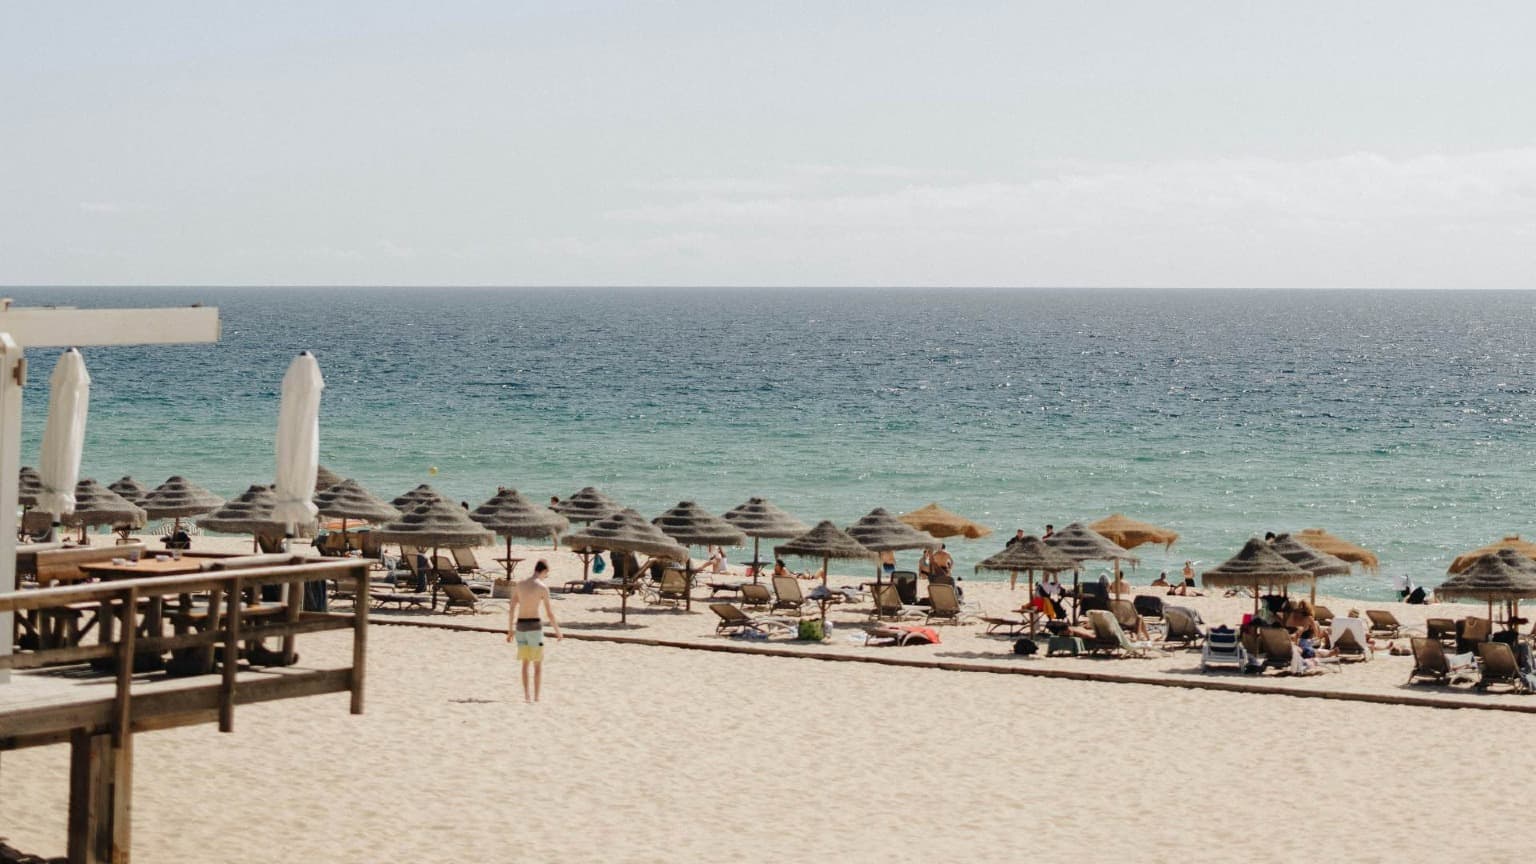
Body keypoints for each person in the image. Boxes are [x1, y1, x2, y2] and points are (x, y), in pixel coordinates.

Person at [506, 560, 562, 703]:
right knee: (537, 664)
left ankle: (527, 696)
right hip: (535, 627)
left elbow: (512, 608)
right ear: (544, 571)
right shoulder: (542, 587)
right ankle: (536, 697)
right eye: (546, 574)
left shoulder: (520, 584)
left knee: (525, 664)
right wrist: (557, 631)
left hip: (520, 626)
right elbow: (549, 613)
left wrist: (510, 630)